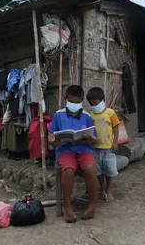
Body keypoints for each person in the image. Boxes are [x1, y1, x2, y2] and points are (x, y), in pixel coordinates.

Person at [48, 85, 98, 223]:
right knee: (68, 170)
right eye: (72, 102)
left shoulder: (87, 116)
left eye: (78, 102)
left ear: (82, 100)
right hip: (65, 149)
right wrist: (54, 141)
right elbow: (51, 135)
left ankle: (92, 205)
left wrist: (92, 139)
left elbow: (94, 137)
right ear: (66, 99)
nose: (75, 105)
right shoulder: (59, 115)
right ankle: (67, 207)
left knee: (90, 168)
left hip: (83, 149)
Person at [87, 87, 120, 203]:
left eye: (95, 103)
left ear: (102, 100)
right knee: (99, 170)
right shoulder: (90, 115)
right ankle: (102, 188)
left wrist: (115, 142)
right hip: (95, 148)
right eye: (91, 104)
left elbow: (116, 127)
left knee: (109, 170)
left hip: (108, 147)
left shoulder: (110, 113)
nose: (93, 105)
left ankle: (109, 190)